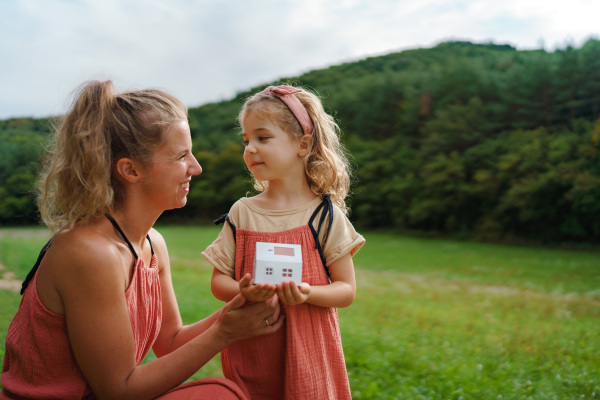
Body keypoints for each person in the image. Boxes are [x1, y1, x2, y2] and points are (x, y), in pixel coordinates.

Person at [0, 80, 284, 400]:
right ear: (131, 170)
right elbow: (119, 391)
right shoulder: (90, 253)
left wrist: (238, 308)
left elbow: (172, 341)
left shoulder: (152, 245)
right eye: (181, 156)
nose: (197, 167)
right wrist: (224, 333)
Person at [202, 85, 365, 399]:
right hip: (254, 346)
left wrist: (306, 293)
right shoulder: (242, 212)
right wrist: (243, 290)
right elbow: (218, 282)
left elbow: (346, 291)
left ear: (303, 144)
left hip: (310, 351)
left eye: (262, 138)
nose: (250, 148)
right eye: (246, 140)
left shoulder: (324, 215)